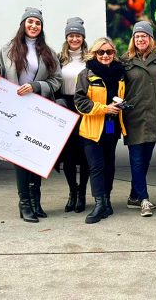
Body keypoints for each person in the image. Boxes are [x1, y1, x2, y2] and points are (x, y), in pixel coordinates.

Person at [0, 7, 61, 223]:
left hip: (38, 110)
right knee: (21, 156)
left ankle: (36, 202)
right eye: (30, 22)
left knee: (37, 155)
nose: (34, 26)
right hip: (15, 111)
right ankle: (25, 203)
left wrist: (36, 86)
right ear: (23, 24)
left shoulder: (48, 52)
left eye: (38, 23)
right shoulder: (7, 49)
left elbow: (56, 80)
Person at [74, 37, 126, 224]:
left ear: (114, 54)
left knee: (109, 165)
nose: (105, 55)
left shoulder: (120, 73)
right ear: (94, 54)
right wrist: (105, 108)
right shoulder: (86, 74)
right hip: (92, 129)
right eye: (101, 52)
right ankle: (99, 204)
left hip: (111, 127)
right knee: (96, 167)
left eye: (109, 52)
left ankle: (107, 202)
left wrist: (122, 105)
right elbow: (80, 102)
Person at [121, 21, 156, 217]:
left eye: (144, 36)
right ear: (133, 39)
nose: (140, 39)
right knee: (137, 159)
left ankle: (134, 195)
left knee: (145, 159)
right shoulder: (125, 60)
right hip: (134, 116)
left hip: (155, 115)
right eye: (137, 36)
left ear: (151, 38)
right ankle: (144, 199)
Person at [56, 17, 90, 213]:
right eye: (71, 35)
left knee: (84, 153)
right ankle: (72, 193)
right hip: (66, 105)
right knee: (68, 154)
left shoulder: (90, 59)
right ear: (66, 37)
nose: (74, 39)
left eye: (78, 35)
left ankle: (82, 193)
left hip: (84, 106)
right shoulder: (59, 58)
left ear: (83, 38)